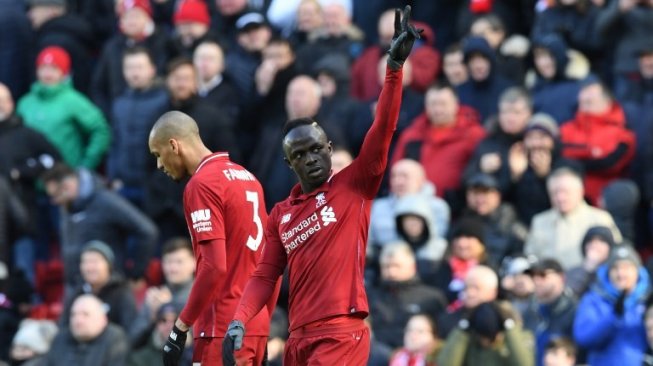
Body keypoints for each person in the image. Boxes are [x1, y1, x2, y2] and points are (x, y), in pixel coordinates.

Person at [223, 6, 420, 365]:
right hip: (299, 337)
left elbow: (383, 128)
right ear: (289, 163)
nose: (311, 157)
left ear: (329, 149)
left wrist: (393, 70)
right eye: (301, 153)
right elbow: (266, 274)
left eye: (317, 149)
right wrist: (239, 318)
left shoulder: (354, 185)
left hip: (340, 332)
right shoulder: (281, 215)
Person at [148, 111, 275, 365]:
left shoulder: (202, 184)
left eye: (158, 154)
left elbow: (214, 266)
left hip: (221, 327)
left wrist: (180, 327)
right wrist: (261, 323)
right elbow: (272, 262)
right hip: (253, 325)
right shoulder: (249, 178)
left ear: (174, 145)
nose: (159, 165)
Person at [573, 245, 650, 365]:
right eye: (615, 268)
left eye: (627, 267)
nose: (621, 274)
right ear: (608, 272)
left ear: (638, 271)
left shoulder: (647, 301)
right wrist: (613, 317)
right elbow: (583, 337)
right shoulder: (593, 300)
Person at [42, 294, 129, 366]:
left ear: (103, 319)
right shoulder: (60, 338)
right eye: (73, 315)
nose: (78, 320)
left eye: (85, 314)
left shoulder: (115, 339)